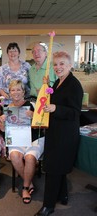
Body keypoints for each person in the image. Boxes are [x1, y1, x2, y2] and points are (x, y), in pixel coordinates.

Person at [35, 51, 83, 216]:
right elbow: (52, 99)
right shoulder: (57, 83)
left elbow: (75, 113)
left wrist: (56, 109)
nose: (58, 67)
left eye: (62, 64)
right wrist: (47, 87)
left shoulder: (74, 85)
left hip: (65, 135)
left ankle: (48, 206)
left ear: (70, 65)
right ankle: (62, 194)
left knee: (53, 168)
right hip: (55, 131)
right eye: (55, 64)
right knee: (58, 166)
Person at [0, 80, 45, 204]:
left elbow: (43, 125)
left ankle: (25, 188)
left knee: (30, 157)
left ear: (23, 91)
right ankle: (29, 182)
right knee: (14, 156)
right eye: (13, 90)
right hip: (16, 139)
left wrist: (34, 117)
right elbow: (3, 131)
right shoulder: (6, 108)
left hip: (34, 139)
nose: (16, 92)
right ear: (9, 93)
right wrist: (2, 122)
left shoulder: (32, 105)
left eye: (19, 89)